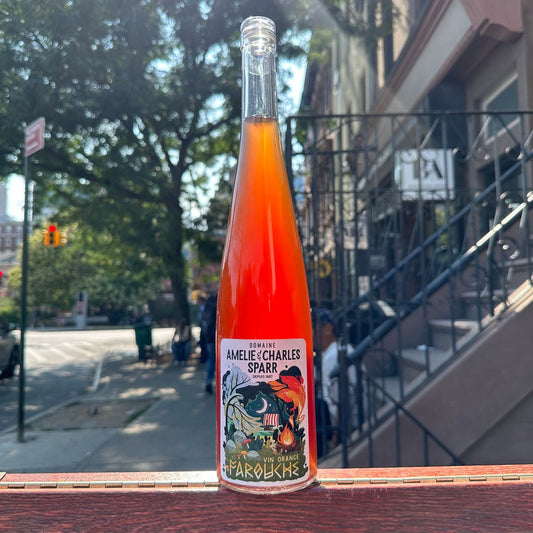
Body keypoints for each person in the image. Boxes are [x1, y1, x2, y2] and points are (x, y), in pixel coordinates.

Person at [314, 309, 357, 433]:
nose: (310, 334)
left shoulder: (333, 356)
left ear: (327, 329)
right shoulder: (330, 352)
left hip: (340, 424)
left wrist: (335, 438)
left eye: (313, 329)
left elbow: (338, 402)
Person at [203, 293, 217, 394]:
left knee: (211, 360)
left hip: (209, 338)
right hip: (217, 337)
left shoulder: (207, 306)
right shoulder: (219, 304)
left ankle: (208, 381)